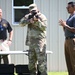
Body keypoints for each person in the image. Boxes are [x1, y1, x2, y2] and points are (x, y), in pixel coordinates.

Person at [19, 3, 47, 75]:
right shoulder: (28, 16)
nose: (33, 12)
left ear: (37, 9)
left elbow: (44, 27)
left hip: (40, 43)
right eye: (32, 11)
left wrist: (37, 21)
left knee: (42, 64)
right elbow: (21, 24)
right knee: (31, 64)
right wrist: (29, 21)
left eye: (34, 11)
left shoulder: (41, 16)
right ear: (29, 11)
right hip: (31, 43)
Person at [59, 2, 75, 75]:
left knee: (73, 60)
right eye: (67, 7)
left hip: (72, 40)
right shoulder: (70, 17)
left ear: (74, 7)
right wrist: (63, 26)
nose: (67, 8)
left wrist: (65, 25)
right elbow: (66, 30)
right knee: (68, 60)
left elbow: (74, 29)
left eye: (69, 7)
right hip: (67, 40)